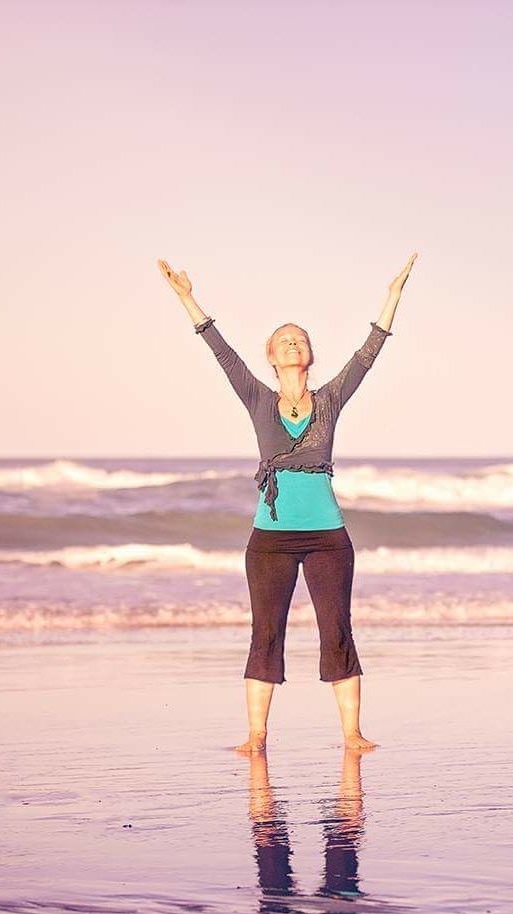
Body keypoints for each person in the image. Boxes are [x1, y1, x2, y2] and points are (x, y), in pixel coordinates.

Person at [157, 253, 417, 752]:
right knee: (266, 634)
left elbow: (367, 355)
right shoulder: (258, 399)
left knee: (336, 630)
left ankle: (352, 735)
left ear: (309, 355)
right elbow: (223, 354)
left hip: (328, 538)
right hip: (270, 540)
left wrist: (392, 296)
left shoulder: (330, 399)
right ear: (272, 357)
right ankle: (255, 737)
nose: (294, 343)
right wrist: (187, 298)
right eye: (284, 340)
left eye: (300, 338)